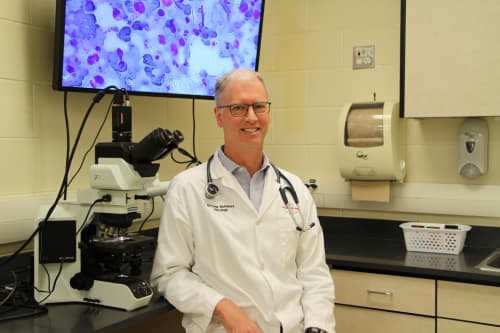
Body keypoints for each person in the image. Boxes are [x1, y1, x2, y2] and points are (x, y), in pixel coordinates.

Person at [150, 68, 335, 333]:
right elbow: (168, 274)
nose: (251, 117)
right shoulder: (187, 188)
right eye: (238, 108)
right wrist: (224, 308)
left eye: (259, 106)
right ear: (219, 116)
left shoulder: (294, 189)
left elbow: (314, 274)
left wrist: (318, 327)